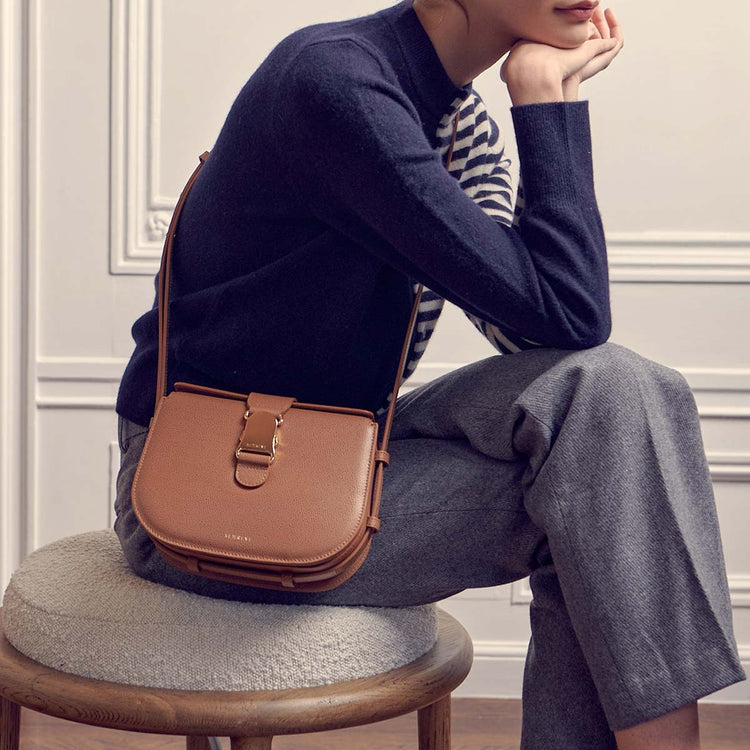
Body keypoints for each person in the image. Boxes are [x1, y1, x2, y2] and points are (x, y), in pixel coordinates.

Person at [113, 1, 746, 747]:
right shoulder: (337, 87)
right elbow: (570, 313)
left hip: (348, 461)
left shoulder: (460, 125)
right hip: (209, 493)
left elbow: (541, 327)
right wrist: (547, 102)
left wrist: (544, 96)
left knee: (620, 394)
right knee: (604, 485)